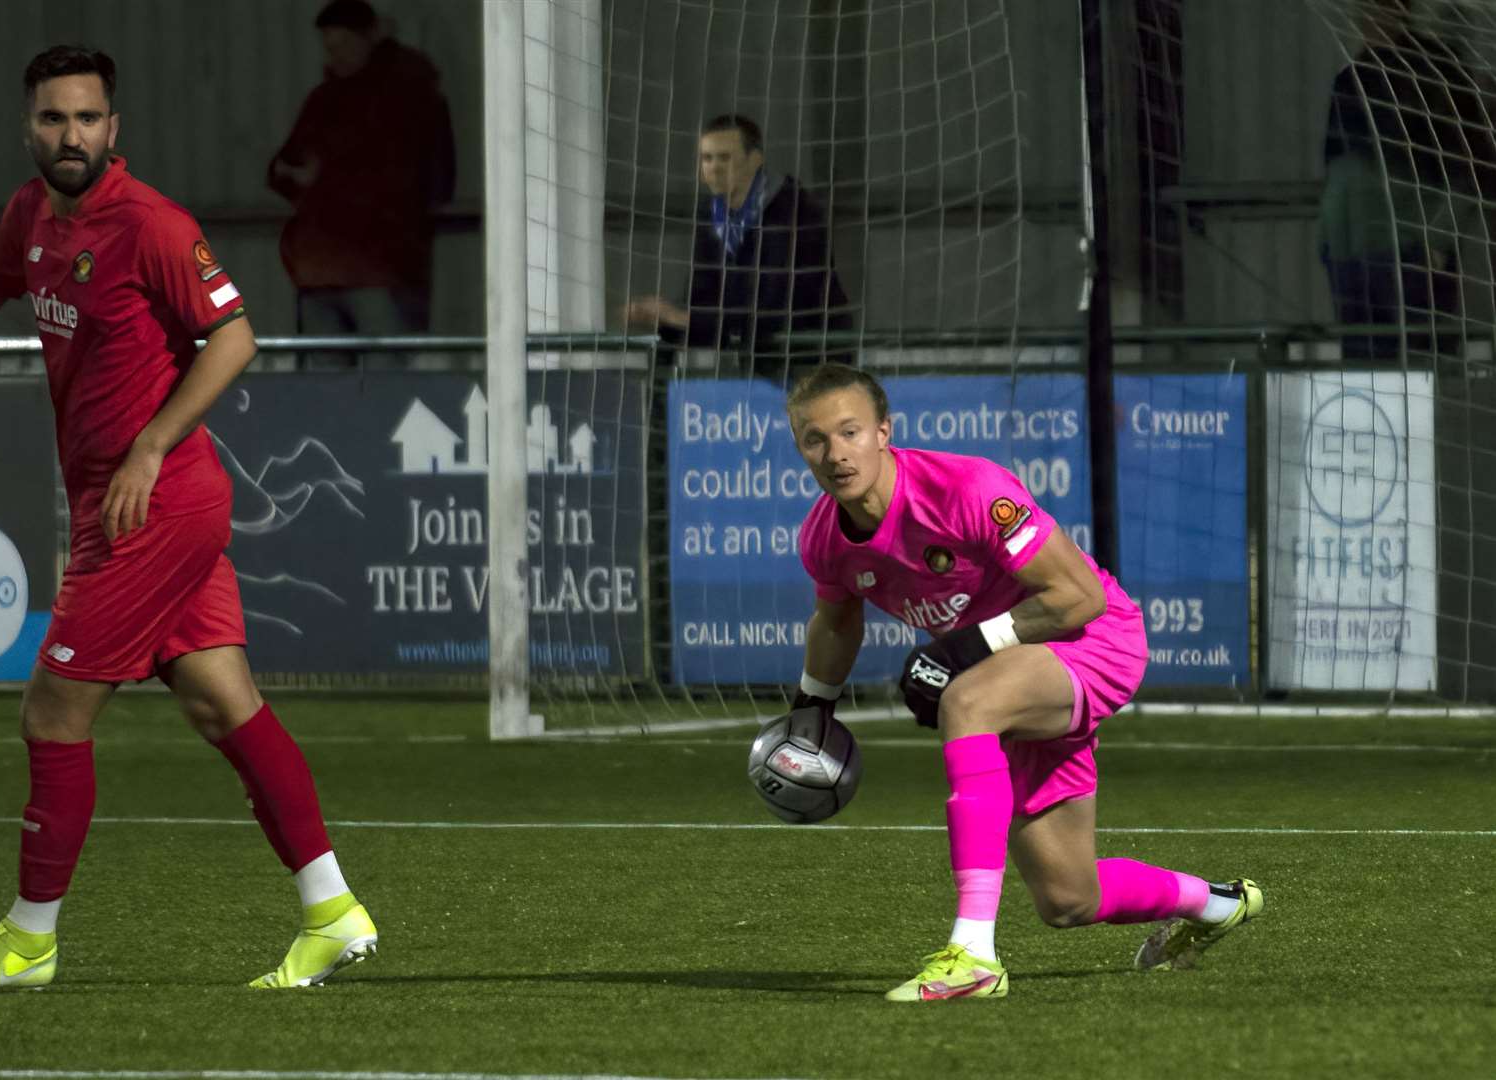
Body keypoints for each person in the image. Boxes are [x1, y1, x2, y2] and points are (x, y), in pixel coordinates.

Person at [0, 45, 376, 992]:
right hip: (123, 502)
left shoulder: (152, 224)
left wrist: (150, 445)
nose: (69, 136)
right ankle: (330, 908)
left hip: (154, 505)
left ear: (114, 128)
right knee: (221, 704)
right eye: (51, 119)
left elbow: (233, 337)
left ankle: (29, 940)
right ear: (28, 127)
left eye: (85, 119)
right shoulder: (31, 215)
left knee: (52, 713)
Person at [783, 364, 1262, 1001]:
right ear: (800, 449)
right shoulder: (824, 538)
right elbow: (837, 619)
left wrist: (961, 649)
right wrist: (812, 706)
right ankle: (1218, 904)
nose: (836, 453)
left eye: (850, 432)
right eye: (817, 440)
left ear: (883, 433)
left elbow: (1079, 597)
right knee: (1067, 897)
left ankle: (974, 956)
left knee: (967, 701)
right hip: (1017, 672)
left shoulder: (967, 488)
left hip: (1092, 640)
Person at [268, 0, 455, 360]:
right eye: (330, 47)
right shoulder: (407, 93)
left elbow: (284, 169)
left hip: (347, 265)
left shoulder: (349, 100)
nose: (336, 55)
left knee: (338, 392)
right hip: (359, 266)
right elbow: (435, 181)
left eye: (343, 45)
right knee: (387, 392)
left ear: (369, 37)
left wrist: (314, 182)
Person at [1320, 0, 1496, 359]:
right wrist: (1330, 245)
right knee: (1366, 365)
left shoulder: (1434, 71)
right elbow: (1337, 173)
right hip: (1357, 258)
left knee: (1419, 366)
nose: (1368, 17)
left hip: (1409, 254)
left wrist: (1437, 243)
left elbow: (1471, 166)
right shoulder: (1352, 79)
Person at [623, 114, 852, 377]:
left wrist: (683, 319)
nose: (714, 168)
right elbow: (703, 295)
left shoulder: (794, 210)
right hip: (762, 363)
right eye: (707, 158)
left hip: (813, 360)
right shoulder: (711, 214)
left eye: (725, 158)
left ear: (755, 160)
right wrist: (663, 318)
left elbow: (771, 310)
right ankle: (659, 414)